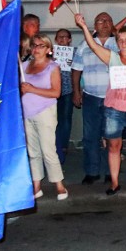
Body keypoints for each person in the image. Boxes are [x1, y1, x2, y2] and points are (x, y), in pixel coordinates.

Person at [76, 9, 126, 196]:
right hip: (113, 110)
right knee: (113, 146)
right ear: (117, 43)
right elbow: (92, 45)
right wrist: (84, 26)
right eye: (121, 40)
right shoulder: (112, 57)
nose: (124, 42)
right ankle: (114, 183)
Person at [72, 11, 118, 185]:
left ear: (112, 24)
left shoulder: (119, 43)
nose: (104, 23)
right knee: (90, 136)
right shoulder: (85, 44)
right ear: (94, 26)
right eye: (100, 20)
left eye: (108, 20)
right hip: (91, 96)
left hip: (113, 97)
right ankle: (92, 171)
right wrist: (76, 91)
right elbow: (76, 70)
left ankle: (110, 171)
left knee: (111, 136)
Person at [21, 33, 68, 200]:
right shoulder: (24, 65)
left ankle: (59, 184)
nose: (36, 49)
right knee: (33, 151)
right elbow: (20, 88)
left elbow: (56, 92)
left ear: (48, 49)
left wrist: (31, 89)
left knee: (48, 150)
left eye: (41, 46)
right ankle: (36, 185)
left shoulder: (52, 67)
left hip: (45, 112)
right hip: (26, 112)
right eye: (34, 45)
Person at [53, 28, 75, 163]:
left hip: (68, 90)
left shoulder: (75, 53)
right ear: (56, 39)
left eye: (65, 37)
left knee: (65, 119)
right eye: (59, 37)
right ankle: (55, 145)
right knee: (53, 120)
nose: (62, 39)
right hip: (52, 91)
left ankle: (64, 145)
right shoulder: (50, 53)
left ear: (70, 39)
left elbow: (79, 71)